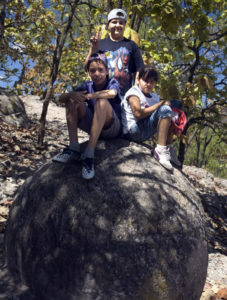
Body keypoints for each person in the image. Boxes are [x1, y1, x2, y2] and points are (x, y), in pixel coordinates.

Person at [52, 53, 121, 180]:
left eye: (100, 70)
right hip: (94, 126)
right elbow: (61, 98)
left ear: (107, 71)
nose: (97, 73)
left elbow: (112, 93)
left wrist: (89, 96)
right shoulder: (87, 85)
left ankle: (89, 155)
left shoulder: (112, 82)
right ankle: (73, 148)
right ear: (88, 72)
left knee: (101, 102)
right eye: (92, 70)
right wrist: (71, 95)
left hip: (111, 128)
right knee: (72, 100)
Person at [121, 67, 183, 171]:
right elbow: (138, 114)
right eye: (145, 81)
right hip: (133, 131)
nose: (149, 84)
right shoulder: (134, 92)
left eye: (152, 82)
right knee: (165, 109)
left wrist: (161, 105)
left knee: (177, 104)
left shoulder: (154, 97)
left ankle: (168, 146)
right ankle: (160, 149)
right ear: (138, 79)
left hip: (145, 129)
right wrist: (160, 104)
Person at [85, 8, 144, 98]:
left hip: (124, 96)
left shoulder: (131, 45)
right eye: (114, 22)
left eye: (121, 22)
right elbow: (86, 67)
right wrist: (93, 48)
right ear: (108, 25)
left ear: (125, 25)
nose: (118, 25)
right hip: (101, 94)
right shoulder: (100, 44)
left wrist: (136, 90)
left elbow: (139, 70)